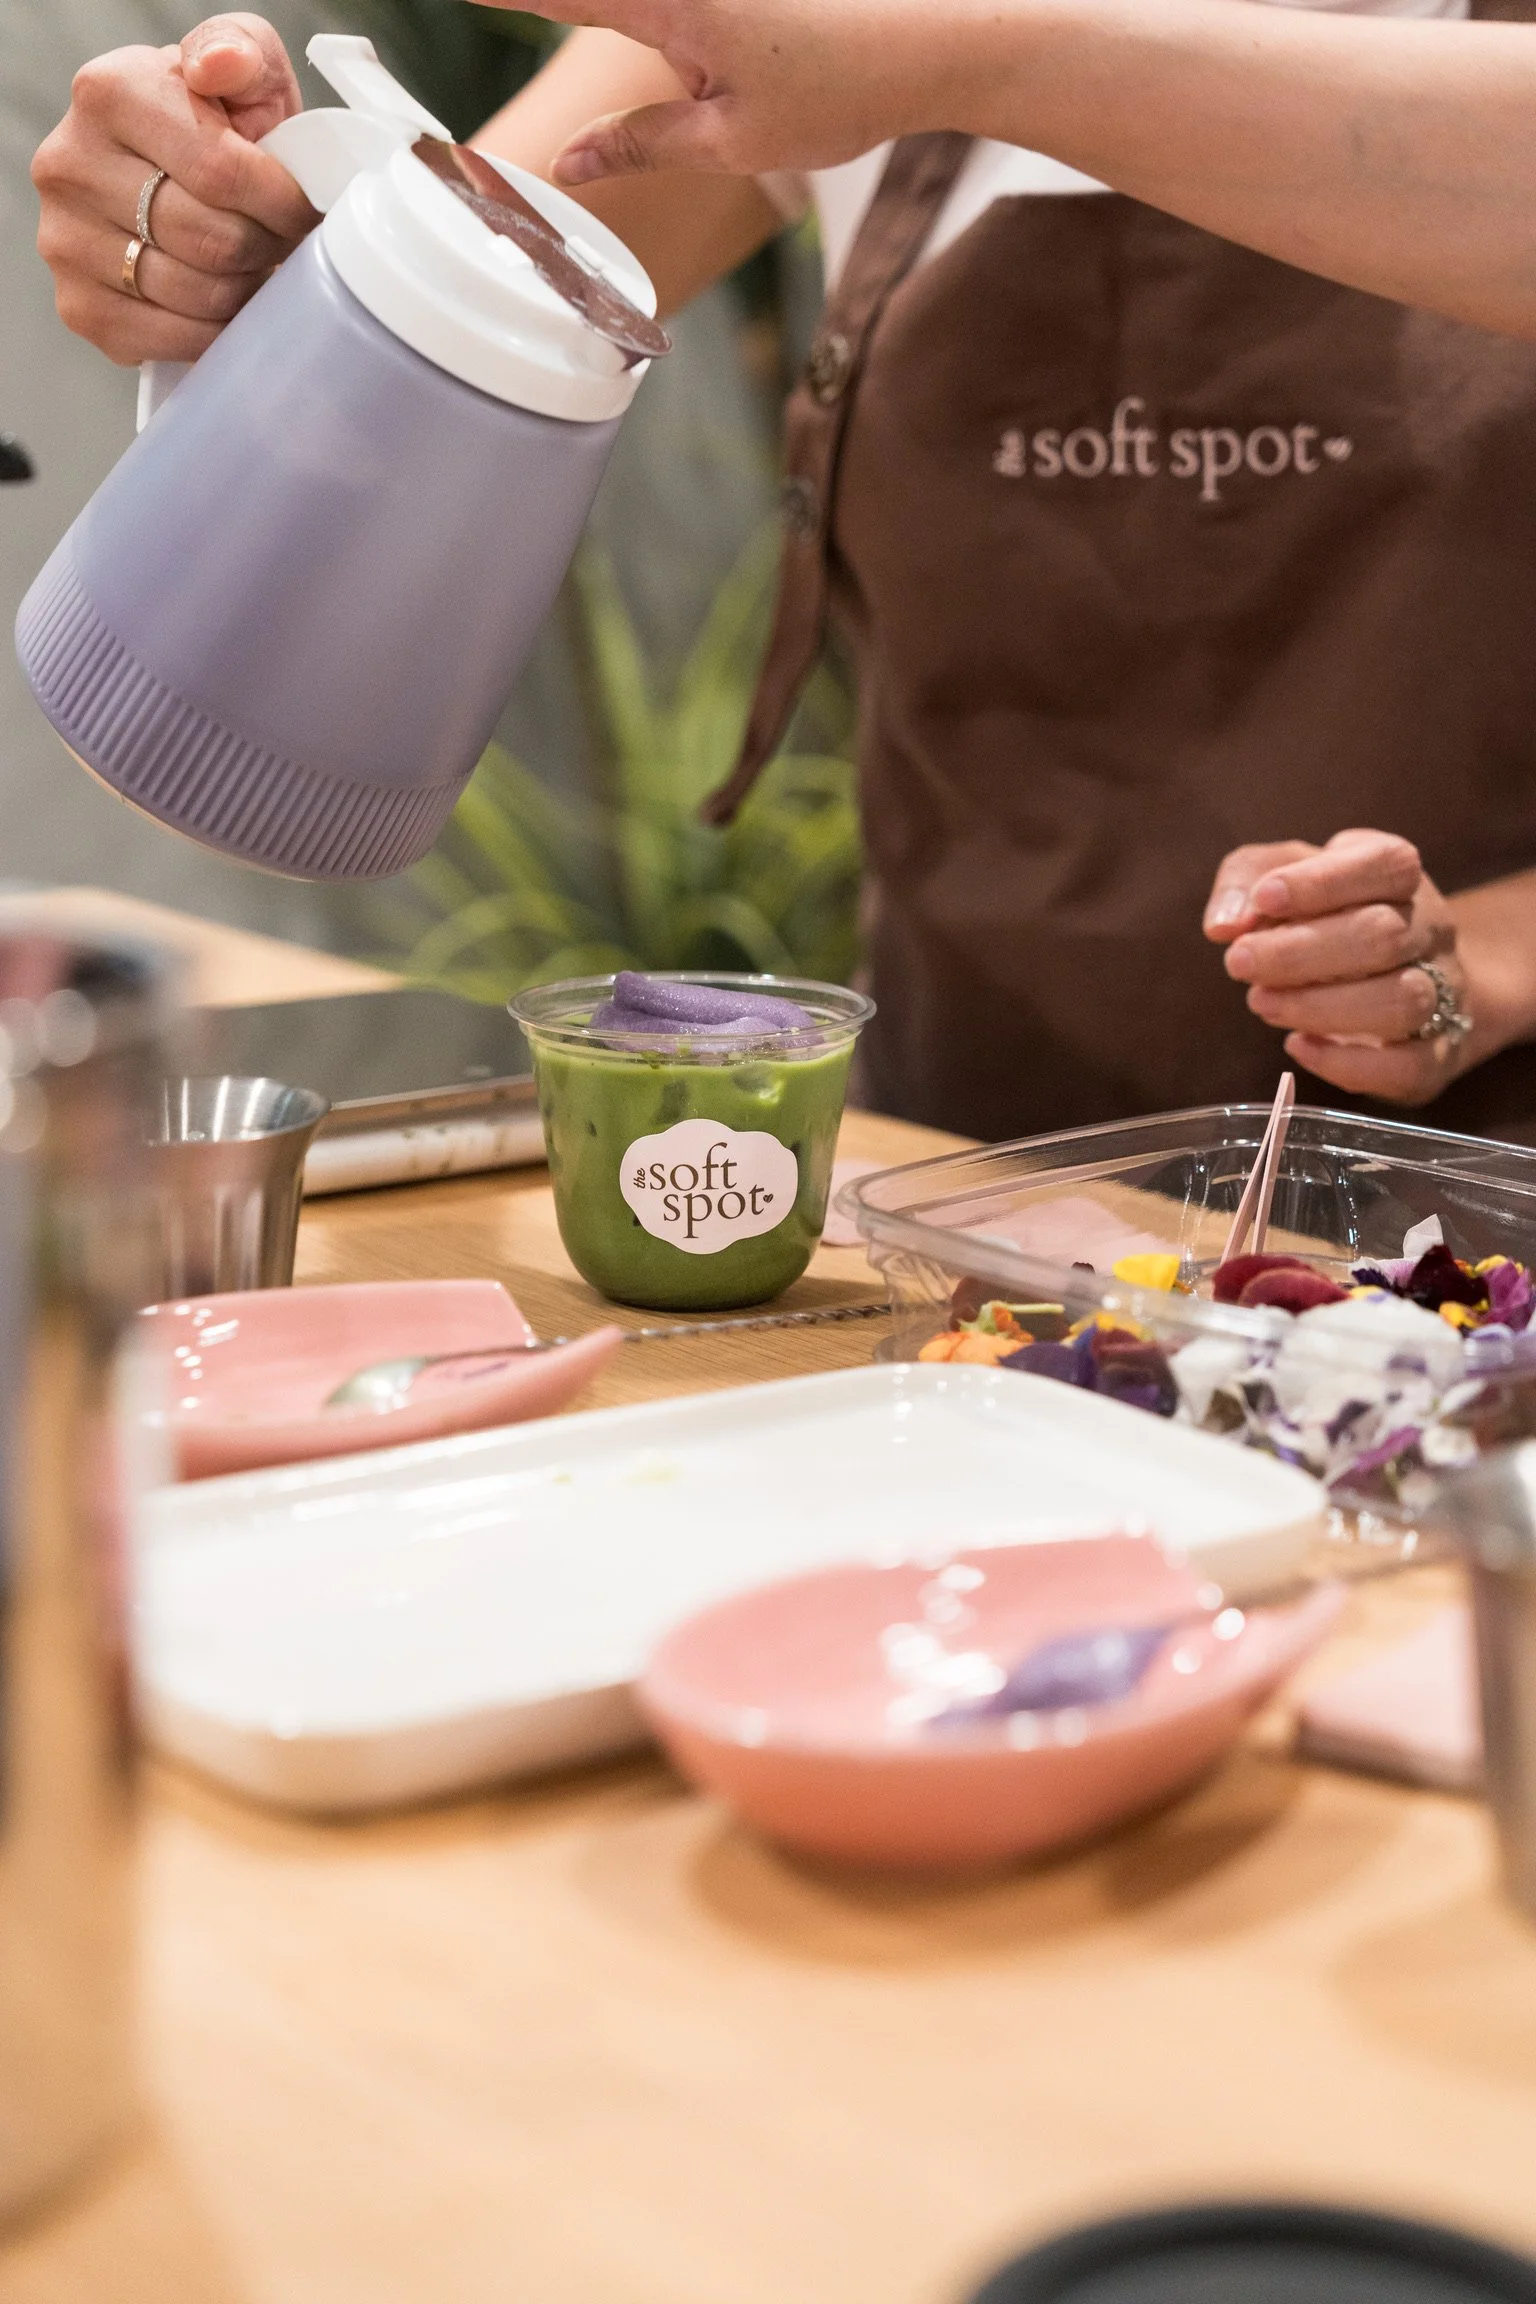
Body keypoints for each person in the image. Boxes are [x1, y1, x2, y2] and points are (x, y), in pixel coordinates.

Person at [28, 4, 1536, 1139]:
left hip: (1472, 1228)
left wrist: (1486, 964)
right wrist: (229, 228)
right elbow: (417, 326)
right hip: (964, 1192)